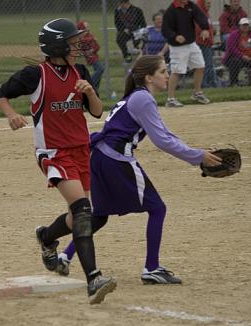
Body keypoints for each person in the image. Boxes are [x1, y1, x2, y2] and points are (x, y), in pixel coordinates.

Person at [53, 55, 222, 284]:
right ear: (148, 77)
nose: (166, 74)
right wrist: (196, 156)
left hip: (100, 158)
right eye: (162, 71)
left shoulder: (137, 97)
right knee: (157, 208)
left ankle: (65, 256)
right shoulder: (143, 99)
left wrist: (197, 154)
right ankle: (151, 268)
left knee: (100, 216)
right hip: (116, 159)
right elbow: (162, 140)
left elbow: (165, 133)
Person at [0, 18, 116, 304]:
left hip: (81, 150)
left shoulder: (80, 71)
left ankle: (47, 237)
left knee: (77, 218)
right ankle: (94, 279)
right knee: (84, 212)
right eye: (73, 43)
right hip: (54, 152)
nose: (78, 48)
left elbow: (97, 112)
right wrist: (11, 114)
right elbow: (0, 94)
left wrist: (90, 92)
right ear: (57, 45)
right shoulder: (36, 74)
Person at [162, 0, 212, 107]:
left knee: (200, 66)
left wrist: (205, 28)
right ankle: (170, 99)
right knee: (177, 71)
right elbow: (165, 29)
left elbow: (200, 17)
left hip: (191, 43)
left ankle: (197, 93)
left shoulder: (190, 5)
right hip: (177, 47)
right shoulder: (171, 10)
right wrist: (175, 36)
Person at [222, 17, 251, 86]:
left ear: (249, 26)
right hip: (236, 58)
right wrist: (242, 56)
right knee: (235, 62)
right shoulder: (233, 35)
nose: (245, 27)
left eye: (246, 25)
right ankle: (234, 83)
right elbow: (232, 49)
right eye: (243, 25)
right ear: (239, 26)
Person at [195, 0, 219, 88]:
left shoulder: (206, 13)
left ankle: (213, 84)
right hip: (202, 43)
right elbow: (199, 30)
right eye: (208, 3)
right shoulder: (199, 14)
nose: (209, 5)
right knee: (205, 65)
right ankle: (204, 84)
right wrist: (208, 35)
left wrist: (212, 32)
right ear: (202, 3)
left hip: (207, 43)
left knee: (209, 65)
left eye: (210, 3)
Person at [76, 20, 105, 91]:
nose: (88, 28)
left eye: (88, 26)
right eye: (86, 27)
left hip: (94, 56)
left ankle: (95, 89)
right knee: (100, 69)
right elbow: (84, 48)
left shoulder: (89, 35)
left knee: (99, 73)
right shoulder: (83, 38)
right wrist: (93, 40)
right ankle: (90, 83)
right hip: (91, 58)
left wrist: (93, 48)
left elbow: (97, 47)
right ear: (82, 28)